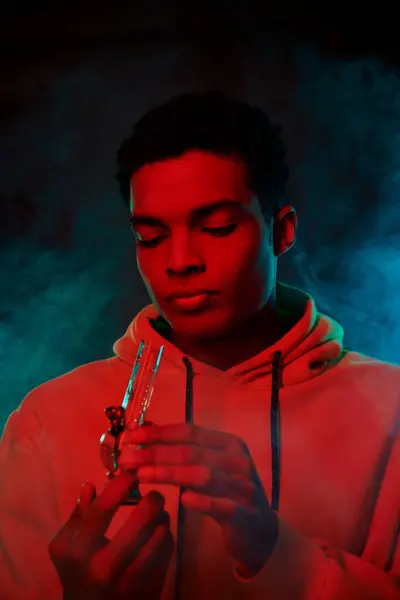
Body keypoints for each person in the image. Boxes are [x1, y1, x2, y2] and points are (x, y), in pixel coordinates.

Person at [0, 90, 399, 600]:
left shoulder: (392, 414)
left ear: (282, 231)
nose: (180, 261)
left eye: (216, 227)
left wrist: (275, 552)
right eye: (151, 237)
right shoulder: (46, 421)